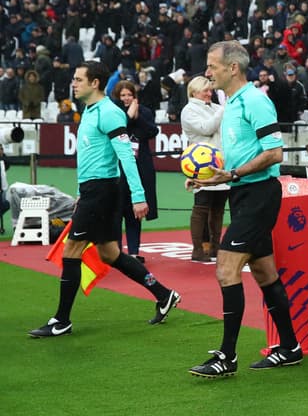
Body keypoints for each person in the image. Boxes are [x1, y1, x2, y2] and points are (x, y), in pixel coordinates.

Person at [28, 61, 181, 338]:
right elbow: (89, 156)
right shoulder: (89, 111)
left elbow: (126, 156)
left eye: (78, 79)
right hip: (94, 191)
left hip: (102, 192)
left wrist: (138, 196)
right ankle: (164, 294)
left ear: (95, 83)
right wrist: (80, 191)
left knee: (71, 250)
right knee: (110, 253)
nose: (73, 83)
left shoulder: (109, 113)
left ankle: (61, 320)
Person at [187, 41, 302, 378]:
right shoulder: (233, 103)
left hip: (259, 195)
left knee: (225, 270)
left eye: (212, 66)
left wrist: (234, 174)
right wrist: (207, 179)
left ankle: (227, 356)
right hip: (243, 194)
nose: (208, 73)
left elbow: (274, 153)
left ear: (232, 68)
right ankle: (291, 347)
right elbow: (239, 156)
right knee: (265, 274)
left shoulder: (254, 101)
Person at [180, 75, 226, 263]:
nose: (210, 93)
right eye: (205, 90)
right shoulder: (189, 111)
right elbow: (207, 128)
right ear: (194, 92)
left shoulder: (215, 108)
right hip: (201, 166)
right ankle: (198, 249)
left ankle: (215, 247)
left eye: (210, 90)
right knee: (201, 207)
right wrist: (223, 108)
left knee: (218, 208)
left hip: (221, 163)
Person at [112, 80, 159, 260]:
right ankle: (115, 253)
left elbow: (152, 132)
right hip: (118, 169)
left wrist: (137, 116)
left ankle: (133, 252)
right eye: (122, 95)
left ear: (134, 96)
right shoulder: (114, 114)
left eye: (129, 95)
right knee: (116, 213)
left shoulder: (145, 112)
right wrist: (127, 116)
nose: (126, 98)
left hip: (140, 167)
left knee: (135, 214)